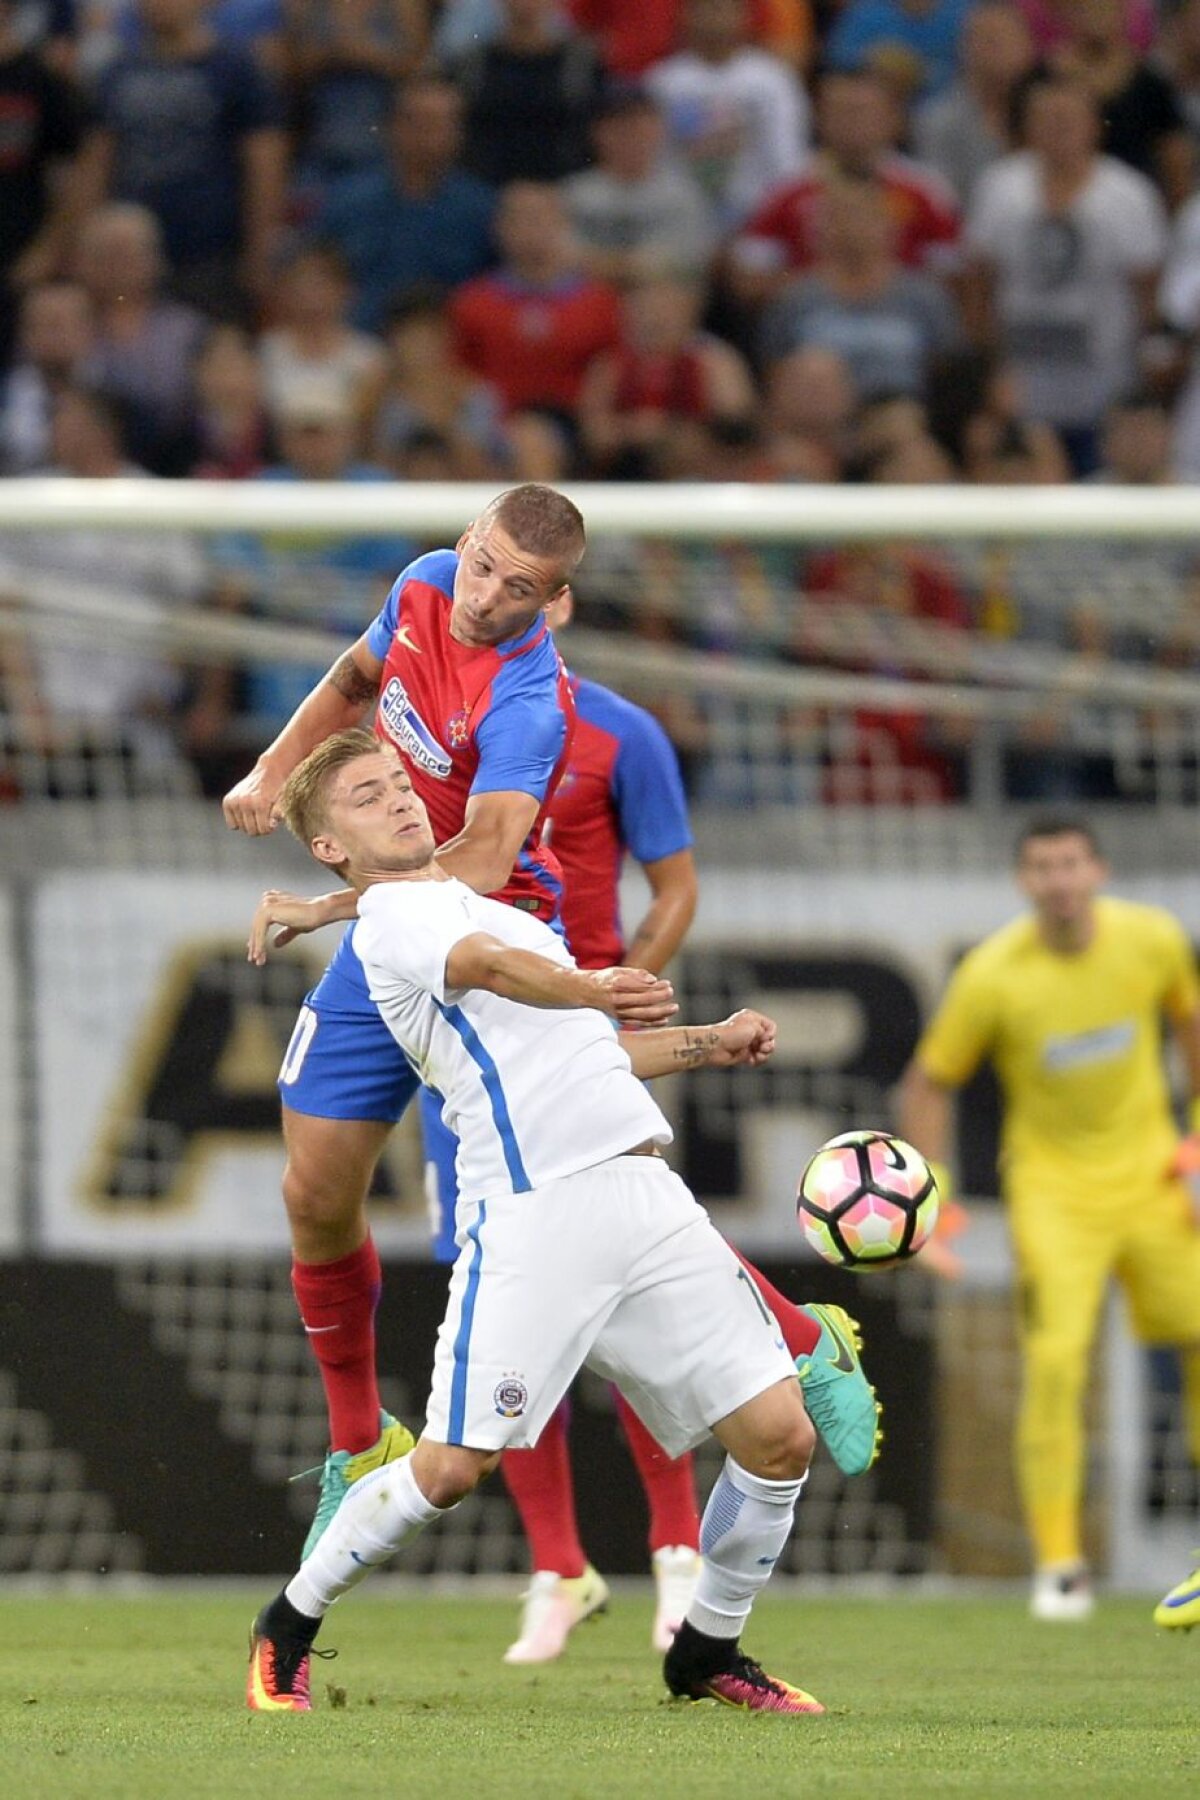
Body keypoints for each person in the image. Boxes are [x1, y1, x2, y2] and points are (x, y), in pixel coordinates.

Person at [246, 727, 824, 1716]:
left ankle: (706, 1650)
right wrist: (595, 983)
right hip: (534, 1214)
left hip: (644, 1198)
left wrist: (707, 1043)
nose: (395, 798)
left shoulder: (487, 908)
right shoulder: (393, 926)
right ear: (329, 847)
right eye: (363, 797)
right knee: (449, 1469)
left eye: (397, 781)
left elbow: (589, 1050)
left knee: (780, 1439)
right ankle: (286, 1627)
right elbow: (495, 972)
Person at [897, 816, 1200, 1620]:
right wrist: (934, 1198)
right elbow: (928, 1085)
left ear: (1096, 869)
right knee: (1058, 1364)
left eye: (1071, 864)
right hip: (1053, 1192)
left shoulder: (1153, 940)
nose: (1059, 880)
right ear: (1023, 881)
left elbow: (1191, 1023)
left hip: (1151, 1179)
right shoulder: (994, 974)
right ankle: (1061, 1565)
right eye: (1042, 868)